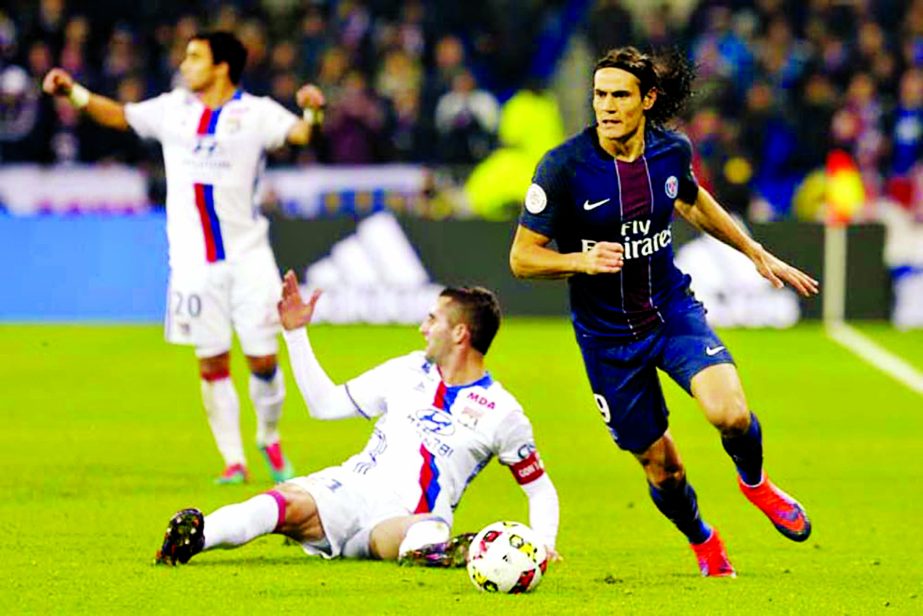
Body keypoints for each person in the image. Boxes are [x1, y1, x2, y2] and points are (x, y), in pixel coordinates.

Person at [509, 46, 819, 578]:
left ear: (647, 100)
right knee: (664, 468)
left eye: (620, 96)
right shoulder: (563, 167)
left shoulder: (671, 151)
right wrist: (580, 261)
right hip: (607, 339)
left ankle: (756, 484)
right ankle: (703, 539)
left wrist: (754, 251)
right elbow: (521, 258)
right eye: (599, 95)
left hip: (669, 312)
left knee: (731, 413)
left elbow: (692, 201)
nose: (606, 106)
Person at [42, 32, 327, 484]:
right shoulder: (173, 109)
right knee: (211, 362)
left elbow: (300, 132)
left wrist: (312, 109)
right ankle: (233, 460)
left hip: (250, 258)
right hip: (193, 264)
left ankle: (268, 438)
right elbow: (118, 115)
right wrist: (73, 93)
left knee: (263, 361)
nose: (185, 62)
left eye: (195, 56)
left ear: (222, 67)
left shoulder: (255, 113)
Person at [154, 273, 560, 567]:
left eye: (432, 320)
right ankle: (196, 536)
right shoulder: (405, 369)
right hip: (349, 488)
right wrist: (296, 335)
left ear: (459, 334)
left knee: (426, 533)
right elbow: (325, 404)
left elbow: (540, 490)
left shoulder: (503, 412)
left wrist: (542, 545)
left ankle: (436, 553)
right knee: (279, 504)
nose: (422, 328)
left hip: (402, 520)